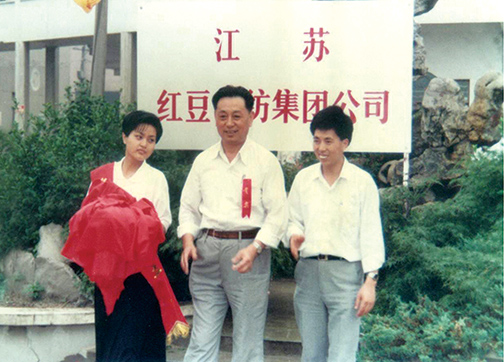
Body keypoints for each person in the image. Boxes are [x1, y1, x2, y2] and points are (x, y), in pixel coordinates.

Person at [62, 110, 187, 362]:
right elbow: (87, 218)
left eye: (151, 140)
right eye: (138, 136)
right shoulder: (103, 175)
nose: (144, 144)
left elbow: (163, 222)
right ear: (124, 137)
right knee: (110, 339)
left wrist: (134, 225)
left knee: (137, 342)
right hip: (108, 272)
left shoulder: (156, 178)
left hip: (140, 273)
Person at [178, 85, 288, 362]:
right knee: (201, 337)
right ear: (214, 118)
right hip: (206, 252)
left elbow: (278, 215)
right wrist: (188, 240)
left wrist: (256, 248)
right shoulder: (203, 161)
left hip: (248, 252)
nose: (229, 123)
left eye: (237, 116)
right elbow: (188, 208)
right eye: (222, 116)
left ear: (251, 117)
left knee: (248, 338)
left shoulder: (265, 162)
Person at [286, 105, 385, 362]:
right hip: (308, 274)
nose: (321, 147)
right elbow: (292, 220)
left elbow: (371, 233)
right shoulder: (303, 179)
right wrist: (294, 235)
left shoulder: (362, 182)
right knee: (312, 354)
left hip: (346, 276)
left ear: (345, 143)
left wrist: (370, 282)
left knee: (342, 354)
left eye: (328, 141)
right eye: (316, 140)